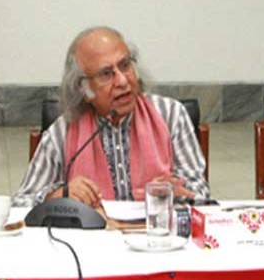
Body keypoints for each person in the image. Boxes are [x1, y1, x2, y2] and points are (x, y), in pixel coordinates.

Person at [16, 26, 209, 207]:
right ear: (84, 89)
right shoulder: (63, 131)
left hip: (157, 237)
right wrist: (55, 196)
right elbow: (21, 203)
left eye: (125, 65)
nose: (123, 81)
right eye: (106, 74)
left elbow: (201, 194)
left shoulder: (170, 115)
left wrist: (176, 193)